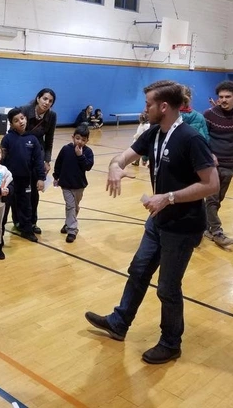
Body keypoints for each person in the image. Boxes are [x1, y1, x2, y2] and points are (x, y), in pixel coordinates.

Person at [85, 80, 219, 364]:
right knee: (138, 270)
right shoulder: (153, 134)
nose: (144, 109)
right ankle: (119, 323)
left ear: (164, 107)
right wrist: (113, 169)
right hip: (158, 222)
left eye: (148, 104)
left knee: (168, 288)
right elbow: (121, 158)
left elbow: (211, 184)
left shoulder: (191, 138)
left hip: (183, 226)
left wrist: (167, 197)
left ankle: (171, 344)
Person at [1, 107, 45, 243]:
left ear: (26, 118)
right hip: (10, 181)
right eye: (16, 120)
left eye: (22, 118)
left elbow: (38, 160)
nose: (20, 122)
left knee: (26, 204)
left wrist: (41, 178)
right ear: (11, 124)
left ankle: (27, 230)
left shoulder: (32, 139)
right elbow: (1, 160)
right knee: (5, 206)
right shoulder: (7, 139)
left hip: (26, 179)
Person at [21, 88, 57, 234]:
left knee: (35, 192)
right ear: (38, 98)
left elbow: (49, 140)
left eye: (50, 101)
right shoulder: (24, 110)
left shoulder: (52, 116)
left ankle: (32, 222)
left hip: (38, 155)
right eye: (44, 99)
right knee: (20, 191)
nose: (47, 103)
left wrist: (47, 160)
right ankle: (19, 221)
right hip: (21, 153)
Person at [203, 81, 233, 248]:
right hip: (212, 165)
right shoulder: (209, 114)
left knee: (218, 199)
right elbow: (201, 139)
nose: (223, 100)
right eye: (221, 97)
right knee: (213, 199)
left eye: (228, 96)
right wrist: (209, 154)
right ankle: (217, 232)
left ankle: (206, 227)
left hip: (230, 166)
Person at [53, 125, 94, 242]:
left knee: (74, 207)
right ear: (73, 137)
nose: (80, 141)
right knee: (70, 206)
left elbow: (88, 166)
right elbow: (58, 163)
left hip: (79, 185)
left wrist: (80, 156)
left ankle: (68, 224)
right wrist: (56, 176)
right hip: (66, 184)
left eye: (83, 140)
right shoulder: (66, 149)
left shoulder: (88, 152)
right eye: (77, 138)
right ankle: (72, 230)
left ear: (87, 141)